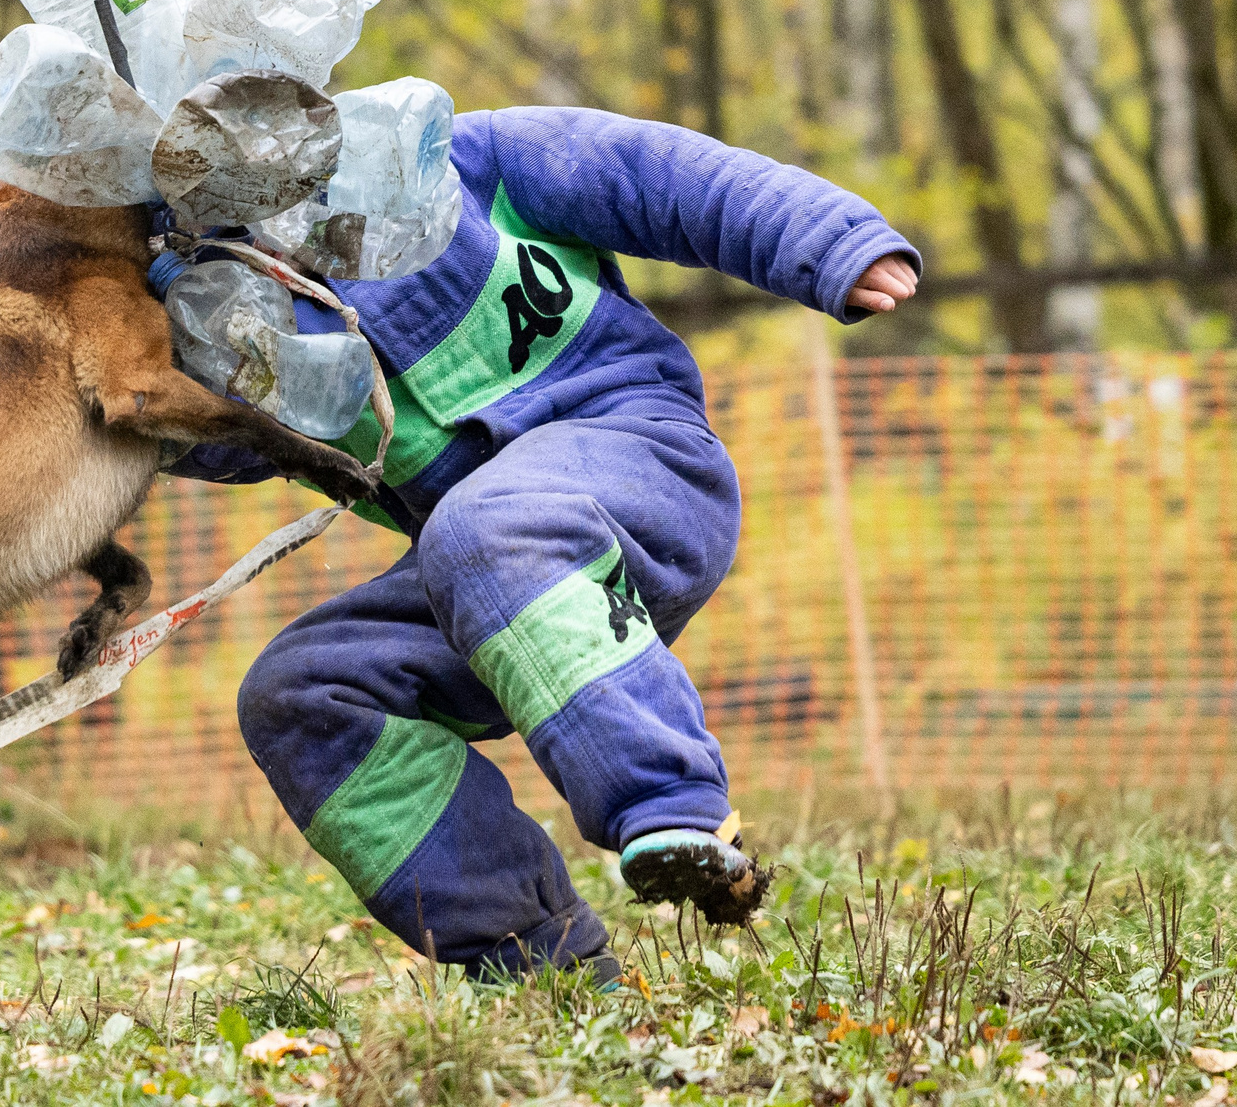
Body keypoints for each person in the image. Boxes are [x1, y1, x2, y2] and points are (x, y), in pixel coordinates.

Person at [165, 106, 918, 985]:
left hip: (644, 464)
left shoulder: (458, 160)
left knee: (485, 525)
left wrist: (830, 241)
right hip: (480, 581)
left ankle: (671, 808)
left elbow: (658, 174)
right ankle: (539, 962)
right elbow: (148, 436)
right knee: (302, 692)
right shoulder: (234, 333)